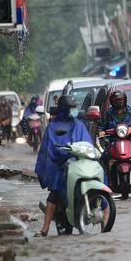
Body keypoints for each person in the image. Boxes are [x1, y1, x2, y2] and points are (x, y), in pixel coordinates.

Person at [35, 95, 93, 237]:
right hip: (60, 166)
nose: (70, 111)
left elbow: (87, 143)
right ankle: (45, 227)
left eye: (72, 108)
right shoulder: (53, 127)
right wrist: (63, 153)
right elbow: (50, 149)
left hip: (79, 163)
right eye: (68, 108)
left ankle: (104, 217)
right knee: (54, 193)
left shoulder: (79, 124)